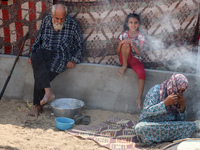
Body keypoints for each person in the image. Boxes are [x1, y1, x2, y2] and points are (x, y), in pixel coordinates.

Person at [28, 4, 84, 116]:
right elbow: (39, 38)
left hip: (60, 55)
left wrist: (73, 59)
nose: (59, 20)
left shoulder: (72, 24)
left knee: (40, 73)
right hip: (45, 51)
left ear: (65, 16)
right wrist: (33, 54)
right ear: (52, 14)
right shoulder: (47, 20)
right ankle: (48, 92)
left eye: (62, 18)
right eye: (57, 18)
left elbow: (80, 45)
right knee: (36, 58)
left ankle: (38, 106)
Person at [135, 74, 199, 145]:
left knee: (190, 126)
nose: (179, 93)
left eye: (182, 91)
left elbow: (180, 120)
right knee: (140, 128)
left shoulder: (179, 97)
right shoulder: (156, 90)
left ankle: (159, 138)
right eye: (178, 90)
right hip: (153, 124)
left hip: (170, 126)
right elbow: (146, 112)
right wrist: (165, 103)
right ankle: (172, 137)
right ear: (173, 85)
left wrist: (182, 106)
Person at [116, 12, 145, 109]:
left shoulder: (141, 37)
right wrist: (121, 44)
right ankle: (124, 66)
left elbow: (140, 53)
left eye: (135, 22)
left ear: (139, 24)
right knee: (125, 45)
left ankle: (139, 98)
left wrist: (133, 44)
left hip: (135, 60)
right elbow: (117, 51)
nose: (133, 25)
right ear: (127, 24)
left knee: (142, 73)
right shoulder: (123, 35)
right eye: (131, 22)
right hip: (124, 59)